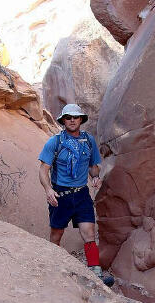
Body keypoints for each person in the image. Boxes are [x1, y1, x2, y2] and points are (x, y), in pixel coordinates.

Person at [38, 103, 114, 286]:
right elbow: (43, 169)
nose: (72, 120)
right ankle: (53, 266)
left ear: (81, 119)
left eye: (75, 117)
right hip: (61, 195)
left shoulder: (88, 141)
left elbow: (92, 166)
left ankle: (95, 272)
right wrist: (48, 189)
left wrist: (95, 177)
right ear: (63, 120)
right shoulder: (55, 142)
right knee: (57, 233)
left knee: (89, 233)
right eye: (68, 117)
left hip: (81, 194)